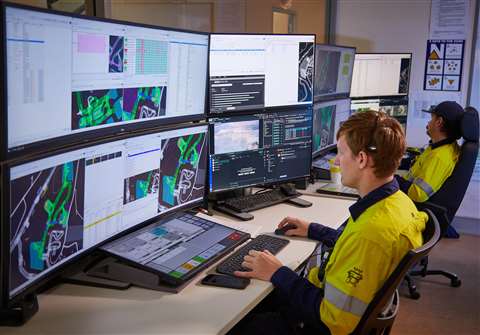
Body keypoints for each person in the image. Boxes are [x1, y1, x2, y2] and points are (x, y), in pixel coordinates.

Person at [233, 111, 428, 335]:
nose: (336, 161)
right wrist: (313, 229)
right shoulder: (397, 203)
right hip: (337, 303)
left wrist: (278, 272)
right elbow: (358, 249)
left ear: (362, 159)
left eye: (341, 152)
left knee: (240, 319)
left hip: (319, 324)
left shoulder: (371, 233)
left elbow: (333, 320)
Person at [396, 101, 464, 203]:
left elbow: (418, 194)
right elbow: (420, 164)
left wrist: (394, 180)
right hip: (405, 193)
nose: (428, 123)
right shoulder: (440, 147)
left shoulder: (440, 157)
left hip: (409, 203)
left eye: (431, 118)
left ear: (439, 122)